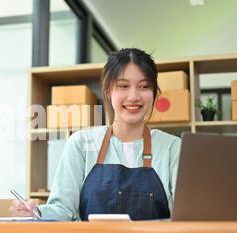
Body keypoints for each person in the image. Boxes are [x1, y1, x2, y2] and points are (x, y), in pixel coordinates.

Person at [11, 48, 181, 221]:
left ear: (153, 93)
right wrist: (36, 213)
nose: (133, 96)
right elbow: (63, 210)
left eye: (144, 86)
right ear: (108, 91)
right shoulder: (81, 143)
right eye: (123, 86)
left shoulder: (173, 148)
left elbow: (183, 218)